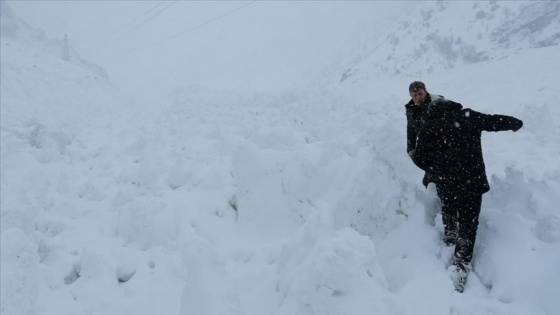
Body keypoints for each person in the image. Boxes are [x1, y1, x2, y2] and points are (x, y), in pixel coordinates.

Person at [409, 97, 523, 292]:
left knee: (448, 206)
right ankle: (460, 264)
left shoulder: (429, 126)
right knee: (469, 223)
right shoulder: (467, 116)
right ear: (454, 106)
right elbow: (493, 121)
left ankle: (450, 234)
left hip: (446, 181)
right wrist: (514, 123)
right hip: (472, 180)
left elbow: (419, 158)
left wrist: (436, 169)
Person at [405, 81, 457, 244]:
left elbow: (456, 115)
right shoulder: (411, 109)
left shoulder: (438, 104)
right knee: (430, 183)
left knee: (445, 188)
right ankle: (437, 214)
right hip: (429, 154)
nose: (417, 97)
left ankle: (451, 229)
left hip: (445, 153)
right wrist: (411, 149)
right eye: (414, 95)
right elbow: (411, 129)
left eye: (420, 93)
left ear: (426, 92)